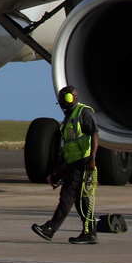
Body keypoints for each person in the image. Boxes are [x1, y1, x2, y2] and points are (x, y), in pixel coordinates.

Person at [32, 85, 99, 244]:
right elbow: (68, 145)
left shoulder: (83, 113)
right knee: (80, 200)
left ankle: (51, 228)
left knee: (67, 196)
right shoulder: (69, 116)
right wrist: (59, 169)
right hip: (72, 162)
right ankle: (90, 233)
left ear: (69, 99)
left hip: (81, 162)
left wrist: (92, 157)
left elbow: (94, 134)